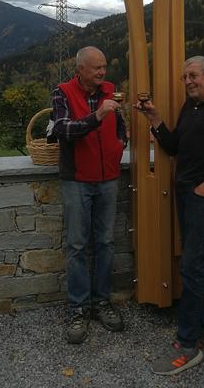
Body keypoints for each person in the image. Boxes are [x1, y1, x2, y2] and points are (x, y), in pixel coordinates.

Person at [135, 56, 204, 375]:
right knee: (195, 263)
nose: (188, 81)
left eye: (193, 76)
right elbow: (174, 147)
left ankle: (188, 346)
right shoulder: (191, 107)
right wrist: (155, 119)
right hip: (185, 194)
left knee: (190, 265)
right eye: (185, 77)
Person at [52, 46, 126, 344]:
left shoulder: (111, 91)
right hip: (77, 181)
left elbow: (121, 127)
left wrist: (120, 144)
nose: (102, 72)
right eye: (96, 68)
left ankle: (101, 302)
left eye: (104, 66)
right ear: (80, 68)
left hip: (108, 178)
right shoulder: (63, 91)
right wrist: (97, 116)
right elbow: (62, 129)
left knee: (106, 243)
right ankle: (79, 308)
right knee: (78, 245)